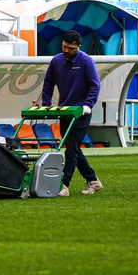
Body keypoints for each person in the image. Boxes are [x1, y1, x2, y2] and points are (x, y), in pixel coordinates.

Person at [39, 29, 103, 197]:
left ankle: (64, 185)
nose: (66, 51)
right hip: (65, 111)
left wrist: (88, 105)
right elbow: (48, 83)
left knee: (71, 149)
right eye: (64, 47)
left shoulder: (86, 61)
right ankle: (93, 180)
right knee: (72, 148)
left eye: (71, 48)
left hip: (81, 112)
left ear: (78, 47)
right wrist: (47, 104)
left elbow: (95, 85)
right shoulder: (56, 61)